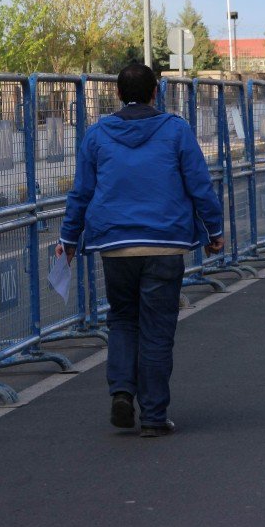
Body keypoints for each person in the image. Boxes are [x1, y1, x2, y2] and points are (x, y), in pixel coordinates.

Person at [58, 63, 224, 437]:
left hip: (114, 246)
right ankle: (152, 415)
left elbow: (81, 193)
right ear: (156, 92)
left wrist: (69, 239)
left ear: (117, 94)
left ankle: (121, 391)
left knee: (122, 320)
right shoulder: (176, 130)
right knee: (157, 329)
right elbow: (199, 185)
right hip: (165, 244)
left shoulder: (97, 135)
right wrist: (214, 231)